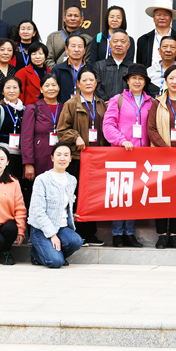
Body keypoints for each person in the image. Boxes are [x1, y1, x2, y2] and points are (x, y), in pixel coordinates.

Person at [102, 64, 154, 247]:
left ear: (145, 82)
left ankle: (129, 232)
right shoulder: (118, 100)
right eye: (134, 78)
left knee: (135, 194)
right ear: (128, 81)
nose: (137, 81)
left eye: (141, 78)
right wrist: (121, 140)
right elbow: (108, 125)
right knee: (120, 194)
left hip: (142, 156)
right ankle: (117, 233)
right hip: (121, 154)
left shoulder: (151, 102)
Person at [54, 67, 107, 247]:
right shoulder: (71, 104)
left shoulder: (101, 104)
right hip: (78, 158)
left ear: (96, 83)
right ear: (78, 83)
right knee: (77, 196)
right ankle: (77, 233)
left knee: (94, 196)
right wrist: (75, 136)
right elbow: (61, 130)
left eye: (91, 80)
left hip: (97, 159)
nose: (88, 83)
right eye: (84, 80)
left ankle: (91, 234)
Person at [148, 64, 176, 248]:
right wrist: (165, 149)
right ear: (166, 81)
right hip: (161, 157)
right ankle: (161, 234)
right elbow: (151, 128)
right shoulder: (157, 103)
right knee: (161, 195)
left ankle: (174, 234)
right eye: (171, 78)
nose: (174, 82)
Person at [28, 143, 83, 269]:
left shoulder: (72, 180)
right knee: (56, 262)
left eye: (66, 155)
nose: (62, 158)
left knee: (76, 242)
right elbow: (38, 211)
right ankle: (37, 253)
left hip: (62, 227)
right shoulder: (42, 179)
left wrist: (72, 215)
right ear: (52, 158)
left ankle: (55, 253)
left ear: (70, 159)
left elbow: (67, 204)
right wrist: (52, 235)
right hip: (41, 229)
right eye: (58, 155)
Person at [22, 73, 63, 198]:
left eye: (54, 85)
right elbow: (26, 138)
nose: (51, 88)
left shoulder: (65, 108)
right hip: (39, 159)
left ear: (59, 87)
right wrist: (28, 163)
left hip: (60, 159)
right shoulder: (33, 109)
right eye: (47, 85)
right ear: (41, 89)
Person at [0, 76, 26, 202]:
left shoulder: (25, 110)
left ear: (20, 90)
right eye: (8, 88)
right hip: (2, 155)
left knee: (17, 187)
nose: (12, 91)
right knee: (2, 187)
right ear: (2, 91)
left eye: (15, 87)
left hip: (19, 155)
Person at [135, 0, 176, 73]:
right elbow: (140, 65)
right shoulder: (144, 40)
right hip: (150, 78)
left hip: (174, 78)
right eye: (159, 15)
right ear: (153, 18)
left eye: (166, 15)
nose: (162, 18)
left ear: (171, 18)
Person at [94, 29, 134, 102]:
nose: (118, 44)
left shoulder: (133, 68)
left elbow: (136, 88)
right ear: (110, 44)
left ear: (128, 45)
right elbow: (96, 86)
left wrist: (123, 102)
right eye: (115, 41)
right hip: (104, 105)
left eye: (123, 42)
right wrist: (109, 102)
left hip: (127, 105)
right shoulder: (99, 66)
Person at [51, 34, 90, 103]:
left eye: (80, 46)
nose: (76, 50)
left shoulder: (91, 69)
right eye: (73, 46)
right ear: (66, 49)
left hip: (87, 107)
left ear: (84, 50)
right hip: (64, 107)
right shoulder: (58, 70)